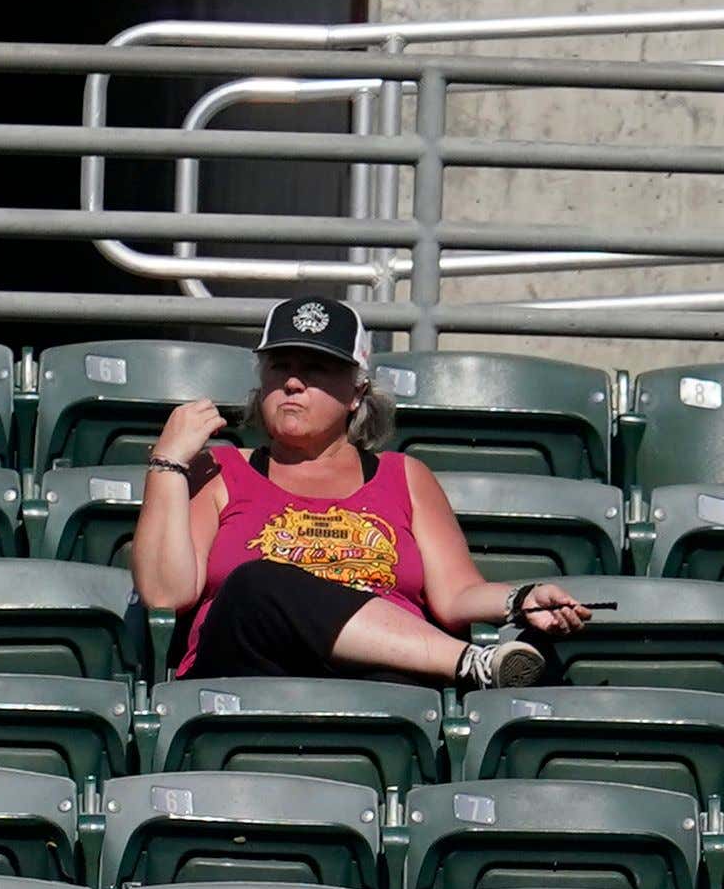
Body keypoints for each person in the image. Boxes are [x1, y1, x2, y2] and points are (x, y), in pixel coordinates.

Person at [130, 296, 592, 690]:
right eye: (279, 367)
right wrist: (168, 462)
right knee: (255, 583)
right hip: (248, 673)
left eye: (316, 369)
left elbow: (455, 596)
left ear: (357, 392)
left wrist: (520, 599)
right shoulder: (220, 471)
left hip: (376, 681)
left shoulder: (404, 476)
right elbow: (165, 594)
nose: (293, 382)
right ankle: (470, 664)